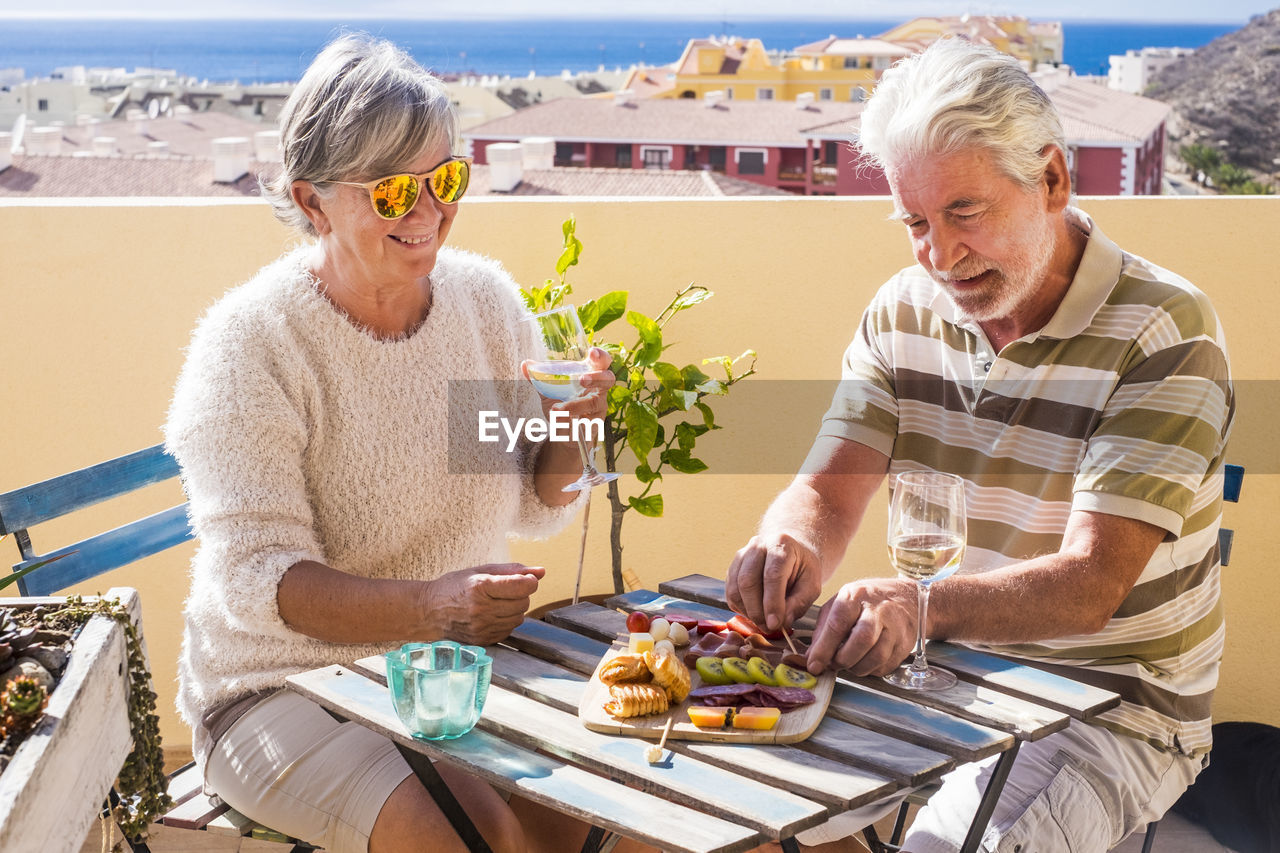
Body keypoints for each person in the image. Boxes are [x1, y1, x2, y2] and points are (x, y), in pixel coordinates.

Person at [727, 38, 1233, 853]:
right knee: (723, 804)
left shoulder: (1165, 330)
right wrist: (785, 543)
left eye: (965, 213)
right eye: (915, 222)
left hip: (1112, 706)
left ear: (1052, 181)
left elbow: (1091, 584)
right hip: (939, 672)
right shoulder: (902, 310)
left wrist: (918, 606)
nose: (940, 255)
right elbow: (827, 491)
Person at [164, 35, 616, 853]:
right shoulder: (252, 343)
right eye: (393, 192)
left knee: (617, 816)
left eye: (444, 180)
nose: (429, 213)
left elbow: (537, 500)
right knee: (476, 837)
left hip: (452, 673)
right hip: (280, 688)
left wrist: (574, 420)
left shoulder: (483, 303)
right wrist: (429, 607)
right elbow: (256, 581)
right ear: (312, 203)